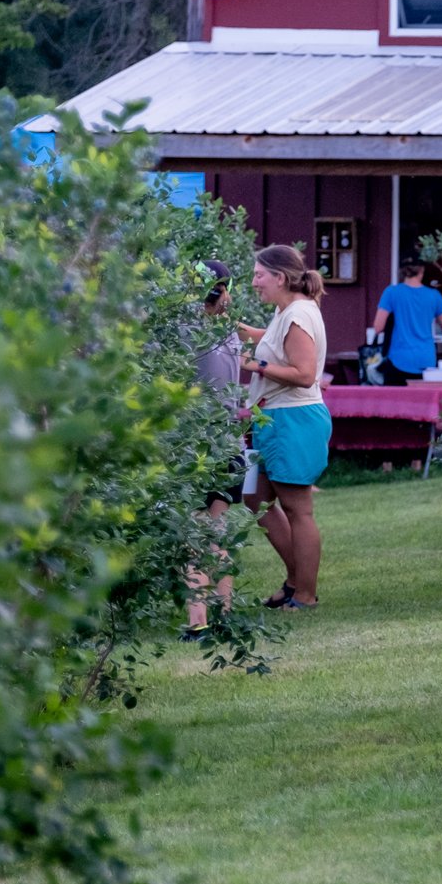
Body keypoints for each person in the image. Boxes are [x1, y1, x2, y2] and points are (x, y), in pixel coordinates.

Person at [237, 244, 332, 608]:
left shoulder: (297, 315)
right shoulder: (287, 312)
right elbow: (272, 342)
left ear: (280, 277)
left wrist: (254, 367)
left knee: (298, 508)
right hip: (274, 417)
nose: (254, 281)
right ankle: (296, 578)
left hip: (292, 418)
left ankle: (304, 593)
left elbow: (305, 375)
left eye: (259, 274)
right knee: (255, 498)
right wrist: (232, 326)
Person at [184, 260, 249, 640]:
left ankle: (198, 623)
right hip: (230, 444)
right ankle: (224, 615)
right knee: (218, 530)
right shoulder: (229, 334)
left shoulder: (185, 332)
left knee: (195, 534)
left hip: (195, 446)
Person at [370, 260, 442, 380]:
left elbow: (378, 327)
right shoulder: (434, 295)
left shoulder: (391, 292)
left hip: (399, 359)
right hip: (426, 359)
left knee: (396, 399)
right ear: (421, 271)